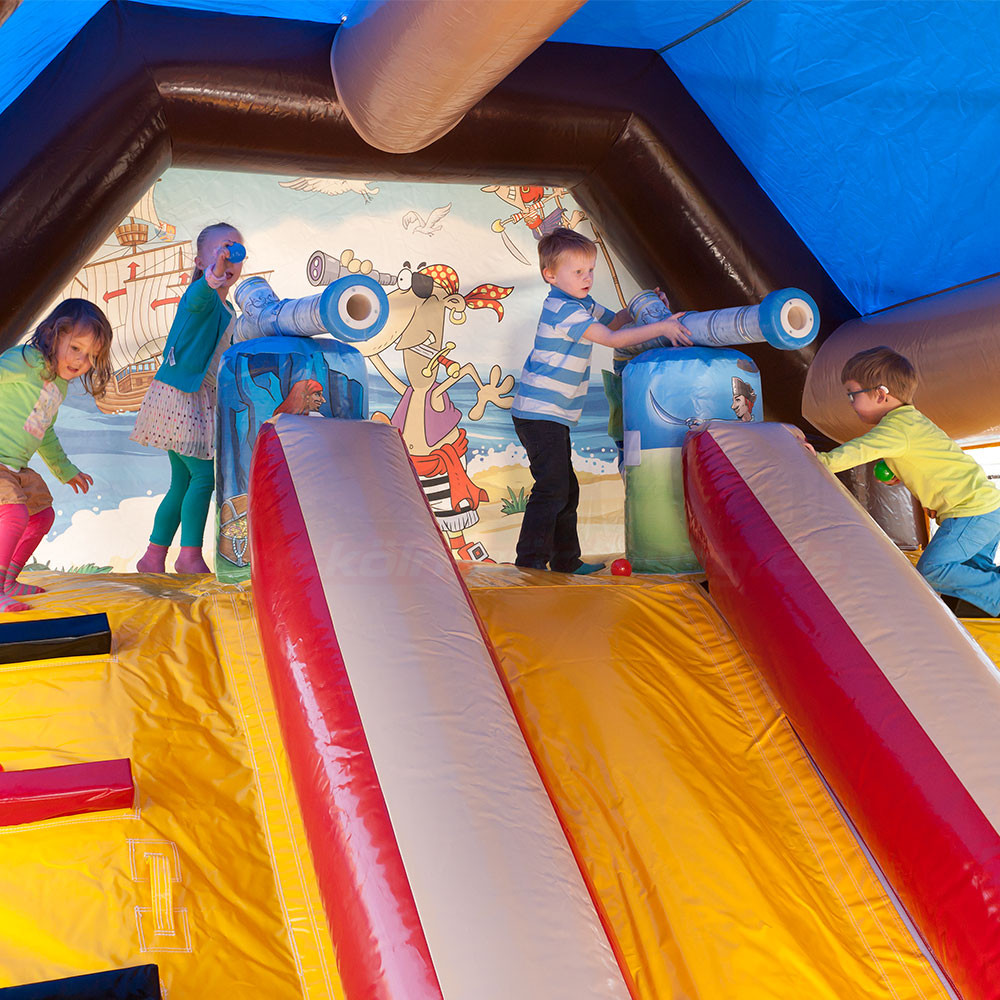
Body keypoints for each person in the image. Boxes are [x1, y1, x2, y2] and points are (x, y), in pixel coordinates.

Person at [511, 227, 692, 573]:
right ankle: (530, 563)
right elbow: (611, 338)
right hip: (538, 413)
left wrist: (647, 309)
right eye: (578, 271)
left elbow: (618, 322)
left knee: (566, 488)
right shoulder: (562, 309)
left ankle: (565, 560)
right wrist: (663, 328)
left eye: (591, 270)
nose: (587, 278)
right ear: (550, 275)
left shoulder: (581, 303)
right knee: (552, 488)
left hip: (552, 414)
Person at [806, 345, 1000, 615]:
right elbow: (930, 461)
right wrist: (899, 471)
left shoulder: (896, 428)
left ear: (880, 394)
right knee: (971, 569)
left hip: (972, 513)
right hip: (985, 509)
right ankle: (981, 607)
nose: (850, 403)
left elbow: (860, 450)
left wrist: (820, 460)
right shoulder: (910, 423)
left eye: (852, 394)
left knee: (933, 569)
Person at [132, 222, 251, 574]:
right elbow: (203, 292)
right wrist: (213, 274)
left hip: (195, 400)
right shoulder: (200, 297)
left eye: (235, 252)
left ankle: (153, 556)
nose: (228, 258)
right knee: (203, 478)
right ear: (200, 261)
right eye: (221, 250)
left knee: (182, 481)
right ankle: (188, 556)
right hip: (181, 398)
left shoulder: (228, 311)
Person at [0, 299, 113, 612]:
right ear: (53, 334)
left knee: (41, 515)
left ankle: (8, 581)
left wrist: (66, 470)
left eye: (91, 356)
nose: (81, 360)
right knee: (14, 514)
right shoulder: (25, 361)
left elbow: (43, 430)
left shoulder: (57, 387)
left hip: (16, 468)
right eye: (76, 347)